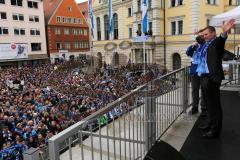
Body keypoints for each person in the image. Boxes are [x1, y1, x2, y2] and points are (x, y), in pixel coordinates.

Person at [197, 19, 235, 138]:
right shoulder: (206, 44)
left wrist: (224, 32)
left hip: (212, 78)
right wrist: (198, 33)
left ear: (213, 33)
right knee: (208, 104)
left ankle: (215, 130)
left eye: (206, 34)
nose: (204, 36)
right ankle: (209, 123)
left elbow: (221, 40)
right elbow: (199, 39)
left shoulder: (216, 43)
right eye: (203, 35)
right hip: (204, 77)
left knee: (214, 106)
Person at [186, 30, 206, 116]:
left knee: (204, 90)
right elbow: (188, 53)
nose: (199, 38)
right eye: (198, 36)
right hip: (194, 72)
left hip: (204, 71)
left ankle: (204, 108)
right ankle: (194, 107)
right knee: (195, 90)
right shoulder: (195, 45)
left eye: (201, 36)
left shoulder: (206, 45)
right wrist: (192, 46)